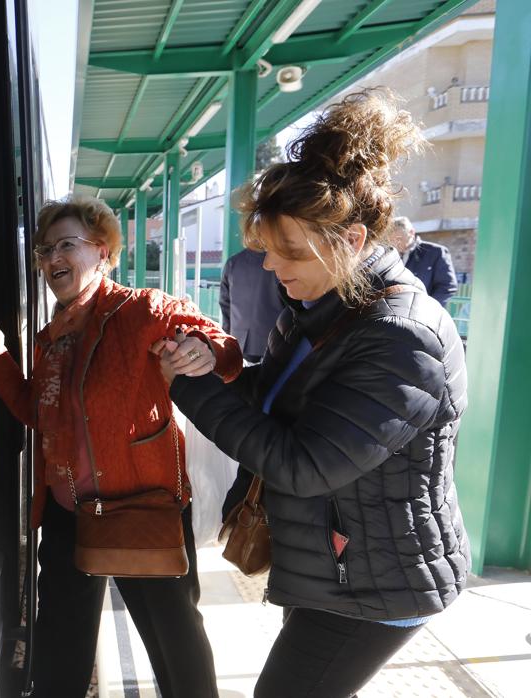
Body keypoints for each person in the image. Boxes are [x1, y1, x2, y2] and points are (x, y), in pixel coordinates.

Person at [160, 90, 470, 698]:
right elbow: (278, 396)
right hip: (337, 565)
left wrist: (191, 391)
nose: (273, 267)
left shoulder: (401, 336)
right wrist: (213, 367)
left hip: (381, 582)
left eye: (291, 251)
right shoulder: (318, 309)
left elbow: (305, 465)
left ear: (353, 240)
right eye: (268, 250)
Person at [0, 195, 242, 698]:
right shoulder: (49, 340)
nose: (53, 258)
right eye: (44, 250)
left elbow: (223, 349)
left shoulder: (144, 310)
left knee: (175, 645)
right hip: (66, 517)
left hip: (140, 510)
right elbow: (38, 413)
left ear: (103, 252)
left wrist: (204, 350)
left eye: (66, 245)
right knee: (59, 653)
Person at [219, 248, 284, 363]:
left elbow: (225, 303)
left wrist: (227, 336)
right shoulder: (279, 262)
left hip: (238, 340)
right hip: (273, 342)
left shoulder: (233, 262)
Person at [388, 216, 459, 305]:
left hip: (424, 311)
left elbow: (447, 286)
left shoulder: (436, 252)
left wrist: (428, 307)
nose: (395, 244)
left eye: (399, 239)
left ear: (411, 233)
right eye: (391, 240)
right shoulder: (389, 254)